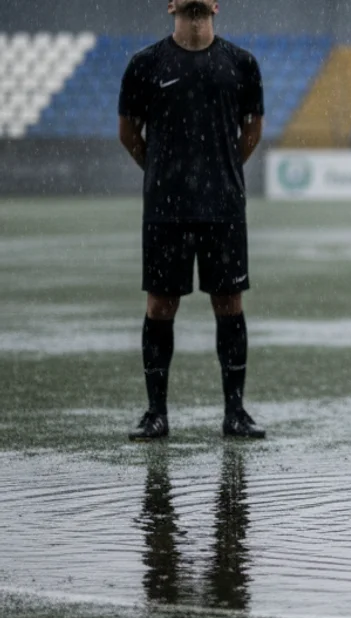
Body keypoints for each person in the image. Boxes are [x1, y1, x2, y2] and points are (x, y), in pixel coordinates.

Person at [119, 0, 266, 440]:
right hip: (166, 210)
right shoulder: (145, 64)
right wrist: (166, 175)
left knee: (230, 304)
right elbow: (129, 134)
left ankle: (235, 414)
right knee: (160, 306)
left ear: (217, 5)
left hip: (223, 207)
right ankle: (156, 414)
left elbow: (252, 130)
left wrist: (217, 174)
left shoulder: (241, 63)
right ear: (170, 5)